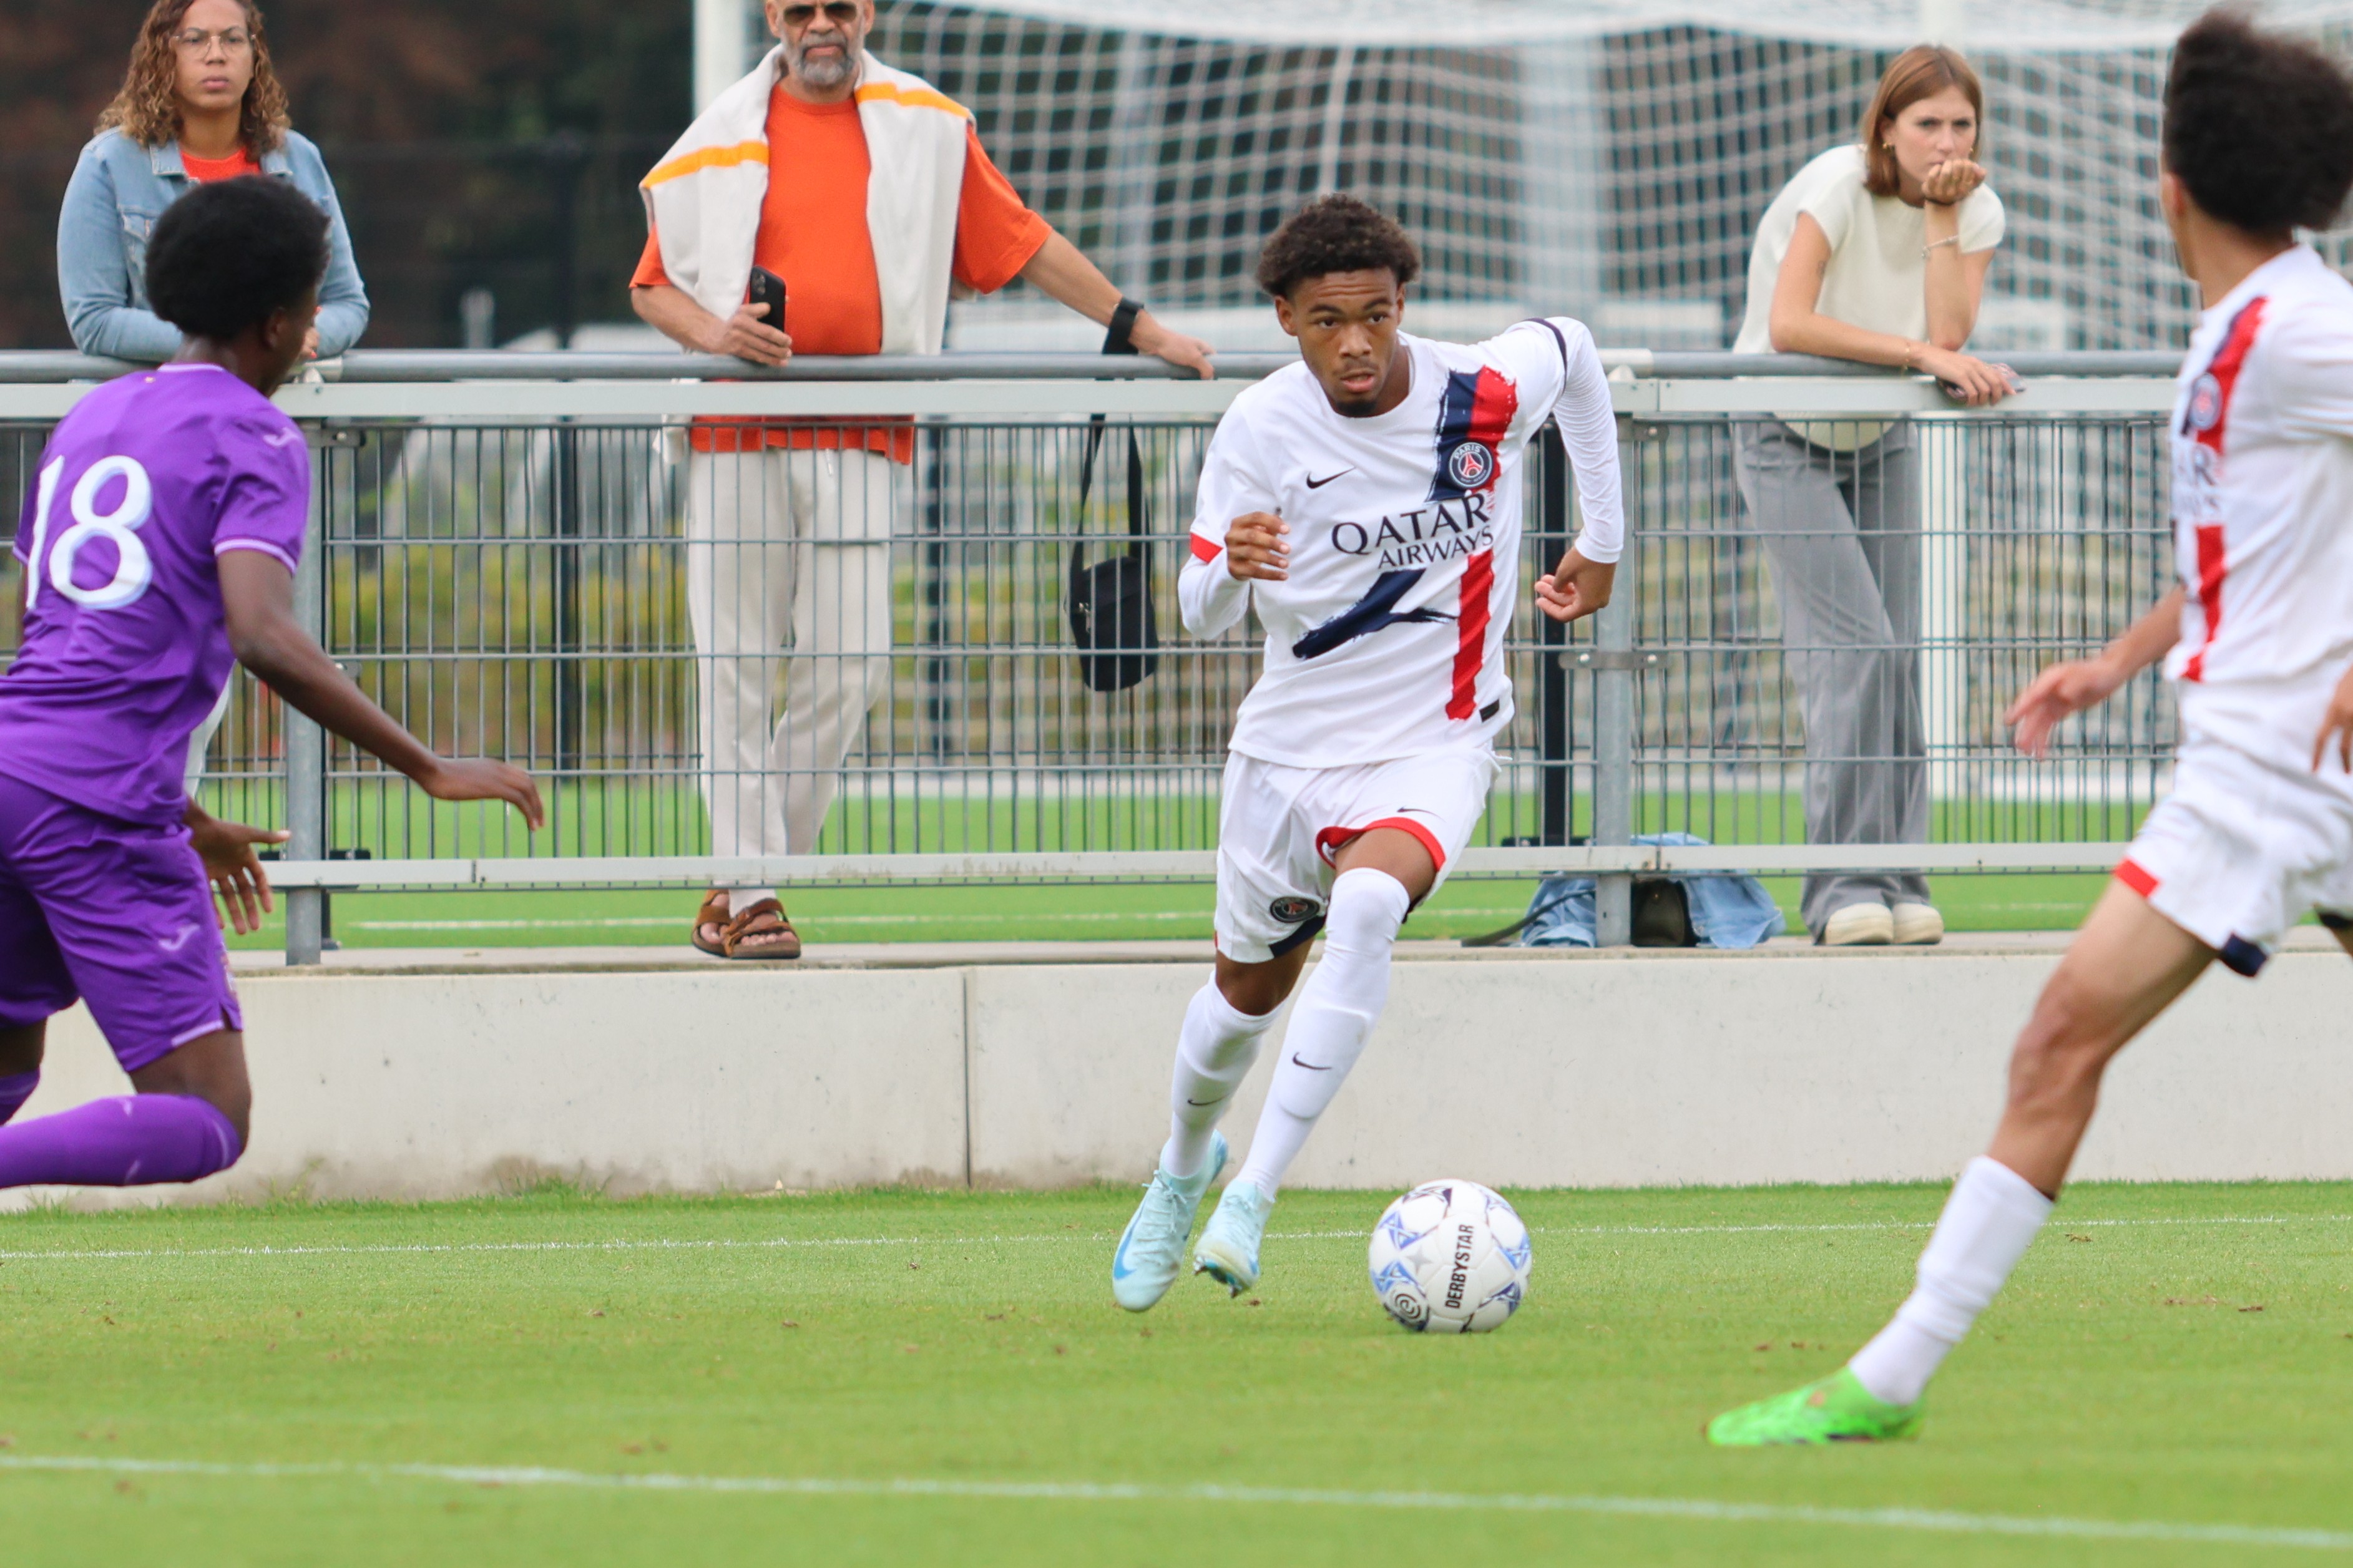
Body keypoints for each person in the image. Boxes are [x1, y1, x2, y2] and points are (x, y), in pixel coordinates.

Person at [1709, 9, 2353, 1444]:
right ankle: (1884, 1386)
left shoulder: (2303, 330)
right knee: (2055, 1046)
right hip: (2255, 771)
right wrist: (2113, 662)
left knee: (2055, 1043)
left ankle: (1882, 1381)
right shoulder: (2241, 332)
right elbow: (2243, 561)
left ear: (2169, 190)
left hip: (2280, 780)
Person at [1107, 195, 1624, 1310]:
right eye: (1328, 319)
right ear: (1287, 317)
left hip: (1434, 743)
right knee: (1242, 999)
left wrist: (1603, 541)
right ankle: (1180, 1169)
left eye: (1377, 316)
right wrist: (1227, 568)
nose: (1356, 342)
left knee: (1372, 907)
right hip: (1288, 756)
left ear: (1403, 307)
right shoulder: (1257, 427)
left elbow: (1577, 356)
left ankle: (1253, 1193)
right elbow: (1195, 613)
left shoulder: (1480, 391)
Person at [629, 0, 1214, 961]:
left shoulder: (927, 127)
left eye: (841, 7)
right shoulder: (719, 134)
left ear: (866, 15)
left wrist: (1139, 327)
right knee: (730, 670)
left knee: (850, 664)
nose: (823, 25)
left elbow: (1019, 240)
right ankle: (754, 892)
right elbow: (652, 283)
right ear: (774, 16)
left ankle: (749, 877)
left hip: (864, 427)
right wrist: (716, 333)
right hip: (733, 431)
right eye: (803, 8)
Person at [0, 177, 539, 1192]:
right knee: (207, 1112)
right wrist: (427, 765)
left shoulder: (92, 417)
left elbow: (47, 639)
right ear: (284, 323)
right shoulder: (252, 434)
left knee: (6, 1068)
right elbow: (261, 631)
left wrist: (186, 809)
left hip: (13, 767)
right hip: (94, 806)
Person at [1730, 46, 2017, 947]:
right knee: (1852, 650)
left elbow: (1946, 329)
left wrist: (1941, 215)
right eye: (1925, 123)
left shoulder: (1973, 210)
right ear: (1885, 128)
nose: (1944, 140)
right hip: (1780, 428)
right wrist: (1920, 358)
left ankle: (1900, 877)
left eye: (1959, 124)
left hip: (1876, 433)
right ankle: (1841, 889)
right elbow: (1788, 325)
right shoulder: (1833, 186)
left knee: (1895, 657)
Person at [59, 0, 369, 365]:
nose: (216, 55)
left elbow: (348, 303)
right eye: (195, 40)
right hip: (157, 412)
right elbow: (94, 321)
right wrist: (237, 345)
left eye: (233, 40)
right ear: (163, 57)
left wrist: (298, 339)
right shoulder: (108, 165)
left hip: (283, 412)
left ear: (256, 57)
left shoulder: (299, 159)